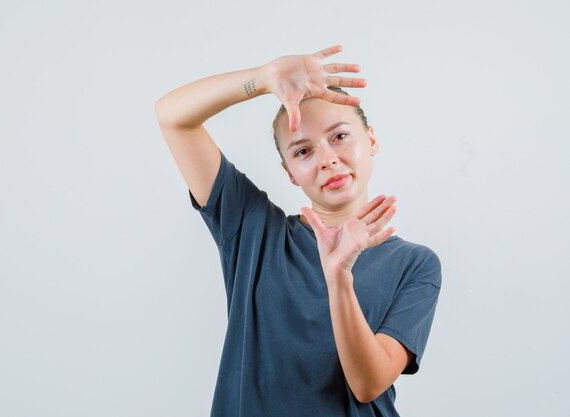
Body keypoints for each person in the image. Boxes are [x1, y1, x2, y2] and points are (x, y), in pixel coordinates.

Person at [155, 44, 442, 417]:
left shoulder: (414, 264)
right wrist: (261, 79)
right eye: (303, 151)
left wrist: (339, 275)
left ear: (370, 140)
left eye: (340, 136)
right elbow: (172, 117)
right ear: (289, 173)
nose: (327, 159)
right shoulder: (252, 229)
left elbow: (368, 384)